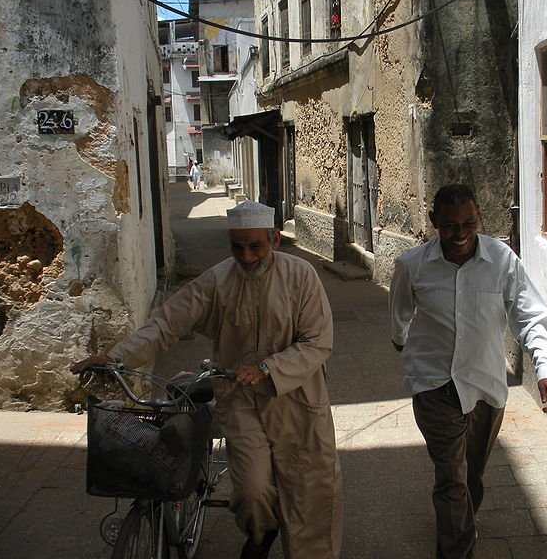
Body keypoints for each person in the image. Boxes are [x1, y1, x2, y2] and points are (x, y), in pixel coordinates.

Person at [71, 200, 343, 559]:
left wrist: (267, 368)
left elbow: (317, 341)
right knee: (252, 492)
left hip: (297, 401)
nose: (246, 256)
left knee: (312, 493)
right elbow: (167, 322)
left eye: (255, 246)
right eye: (237, 247)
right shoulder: (218, 280)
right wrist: (116, 357)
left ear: (274, 240)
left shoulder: (301, 276)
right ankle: (262, 535)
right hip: (241, 401)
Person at [389, 183, 547, 558]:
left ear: (479, 217)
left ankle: (459, 523)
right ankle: (456, 547)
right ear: (434, 221)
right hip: (434, 385)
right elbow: (399, 315)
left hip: (486, 387)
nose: (461, 234)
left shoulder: (502, 260)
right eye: (450, 226)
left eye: (469, 223)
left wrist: (545, 367)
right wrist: (402, 342)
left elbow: (531, 315)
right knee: (451, 478)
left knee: (472, 476)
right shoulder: (412, 264)